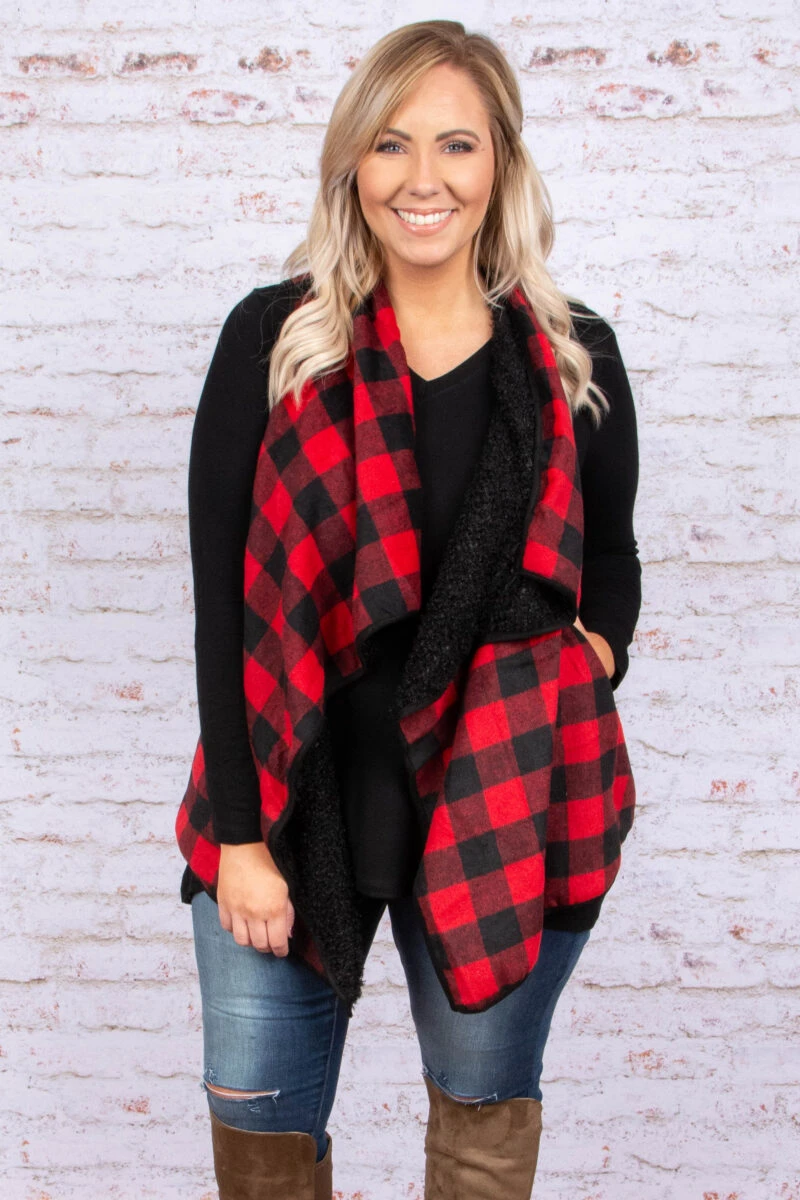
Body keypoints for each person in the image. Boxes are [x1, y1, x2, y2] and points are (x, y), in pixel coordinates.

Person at [174, 19, 641, 1200]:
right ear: (352, 163)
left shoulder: (572, 353)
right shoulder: (275, 338)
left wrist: (583, 664)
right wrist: (240, 841)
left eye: (454, 145)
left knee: (483, 1129)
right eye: (389, 144)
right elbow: (222, 610)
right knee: (262, 1137)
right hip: (295, 796)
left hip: (500, 799)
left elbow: (612, 560)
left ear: (500, 164)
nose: (420, 179)